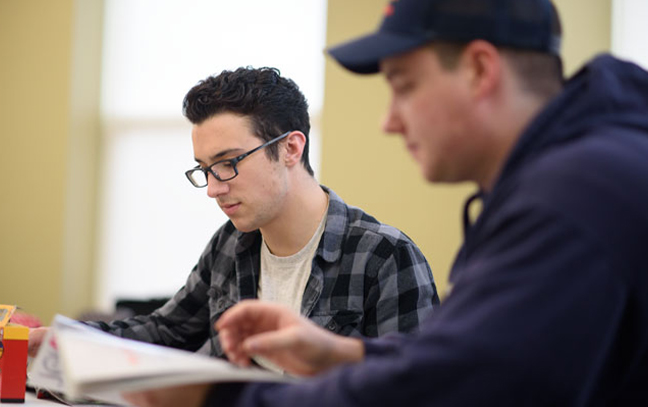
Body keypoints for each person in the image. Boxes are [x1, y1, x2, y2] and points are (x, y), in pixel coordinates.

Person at [123, 0, 648, 405]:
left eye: (404, 86)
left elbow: (446, 392)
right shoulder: (575, 172)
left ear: (480, 70)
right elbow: (467, 355)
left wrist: (223, 399)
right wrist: (349, 353)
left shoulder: (573, 197)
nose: (389, 120)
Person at [27, 67, 439, 363]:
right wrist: (63, 338)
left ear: (292, 148)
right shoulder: (231, 242)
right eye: (204, 169)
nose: (213, 187)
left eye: (228, 162)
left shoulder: (385, 256)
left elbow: (415, 387)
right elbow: (166, 331)